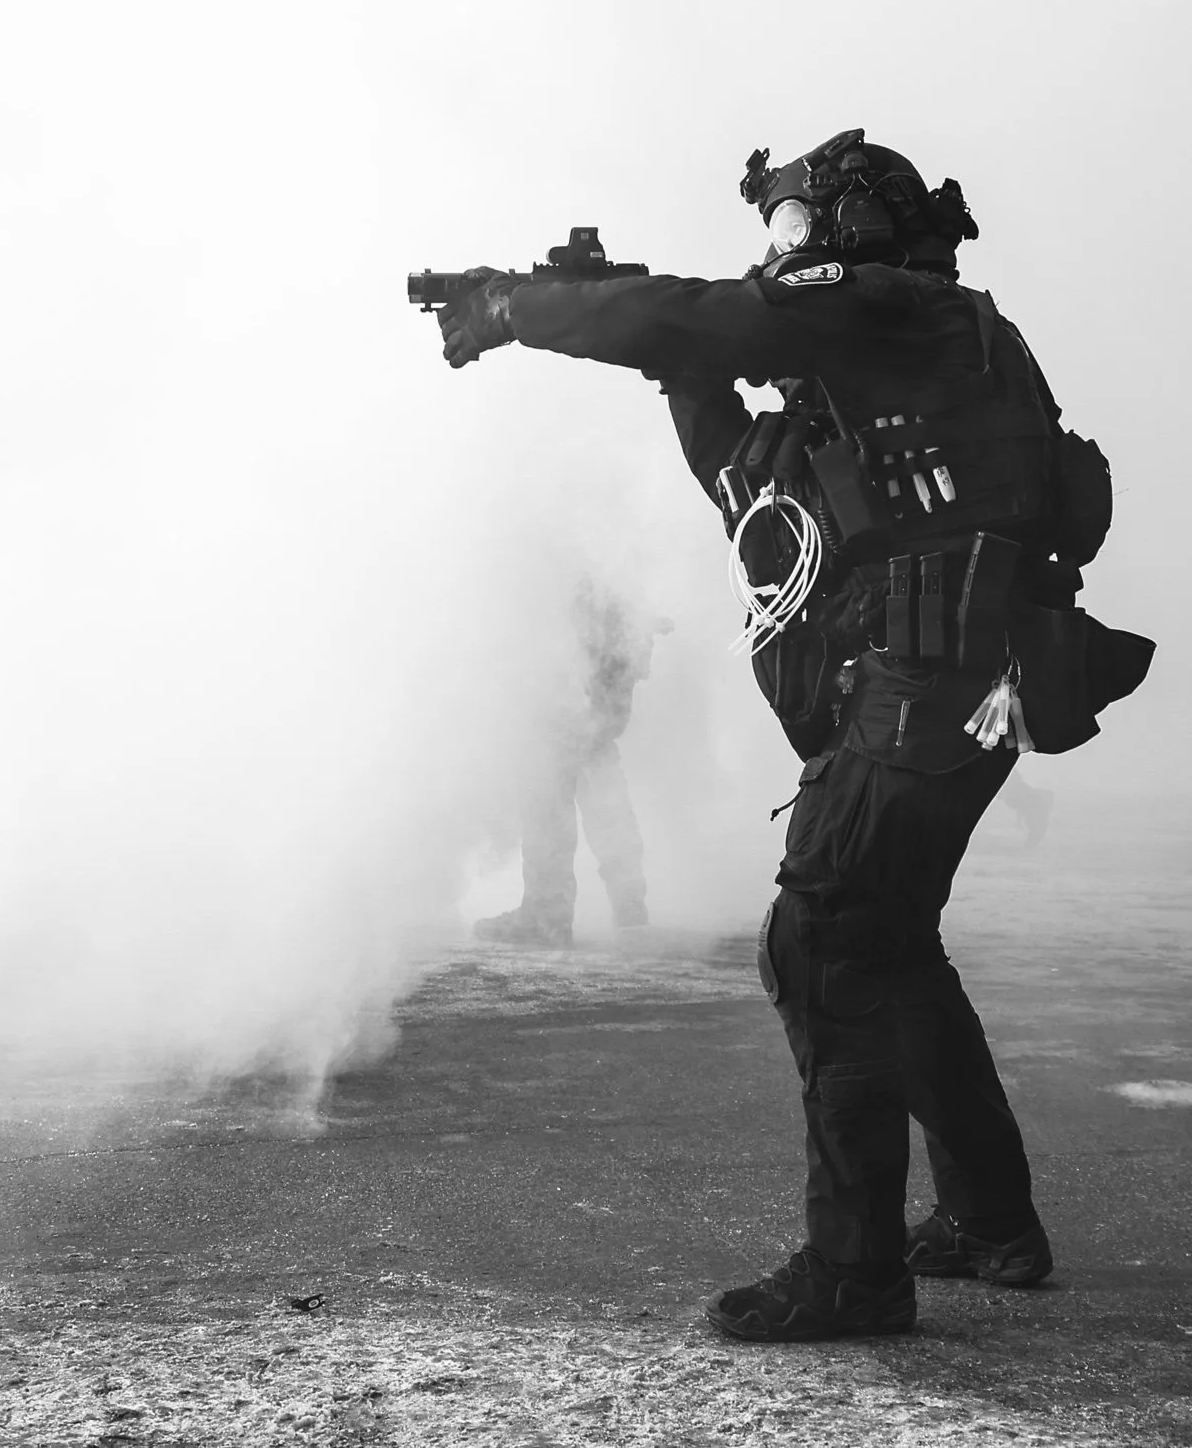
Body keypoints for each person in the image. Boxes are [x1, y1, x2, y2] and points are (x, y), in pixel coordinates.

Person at [431, 129, 1147, 1342]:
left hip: (935, 681)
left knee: (822, 944)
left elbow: (718, 319)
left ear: (846, 224)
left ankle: (856, 1272)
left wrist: (524, 305)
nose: (782, 252)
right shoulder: (906, 357)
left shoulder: (898, 307)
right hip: (952, 681)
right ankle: (988, 1220)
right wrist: (658, 355)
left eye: (792, 229)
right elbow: (743, 481)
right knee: (891, 949)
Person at [472, 580, 669, 945]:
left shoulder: (565, 567)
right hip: (599, 691)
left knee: (547, 793)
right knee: (604, 790)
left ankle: (547, 917)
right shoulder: (608, 561)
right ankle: (629, 908)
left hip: (568, 693)